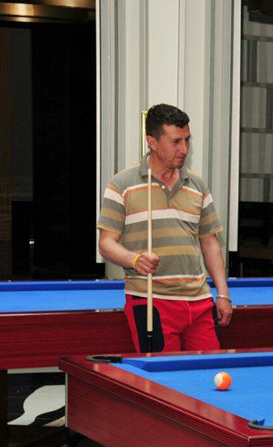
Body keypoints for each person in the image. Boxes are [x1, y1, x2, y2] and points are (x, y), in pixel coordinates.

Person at [98, 103, 232, 353]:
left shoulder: (197, 185)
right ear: (152, 142)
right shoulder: (122, 184)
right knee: (163, 376)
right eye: (176, 142)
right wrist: (134, 259)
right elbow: (105, 244)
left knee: (208, 369)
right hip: (151, 300)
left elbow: (210, 242)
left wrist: (223, 294)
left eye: (187, 140)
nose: (185, 149)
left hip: (199, 301)